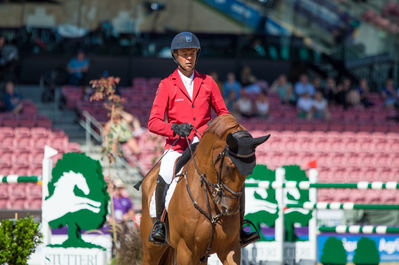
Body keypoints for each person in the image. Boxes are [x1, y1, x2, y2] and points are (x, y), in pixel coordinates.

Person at [147, 32, 259, 246]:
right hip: (179, 146)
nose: (189, 58)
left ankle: (241, 225)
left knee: (233, 173)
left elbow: (223, 114)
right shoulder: (166, 85)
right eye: (184, 54)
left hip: (206, 145)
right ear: (175, 56)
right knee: (165, 170)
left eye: (192, 53)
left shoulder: (208, 82)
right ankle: (160, 224)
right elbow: (152, 122)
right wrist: (174, 128)